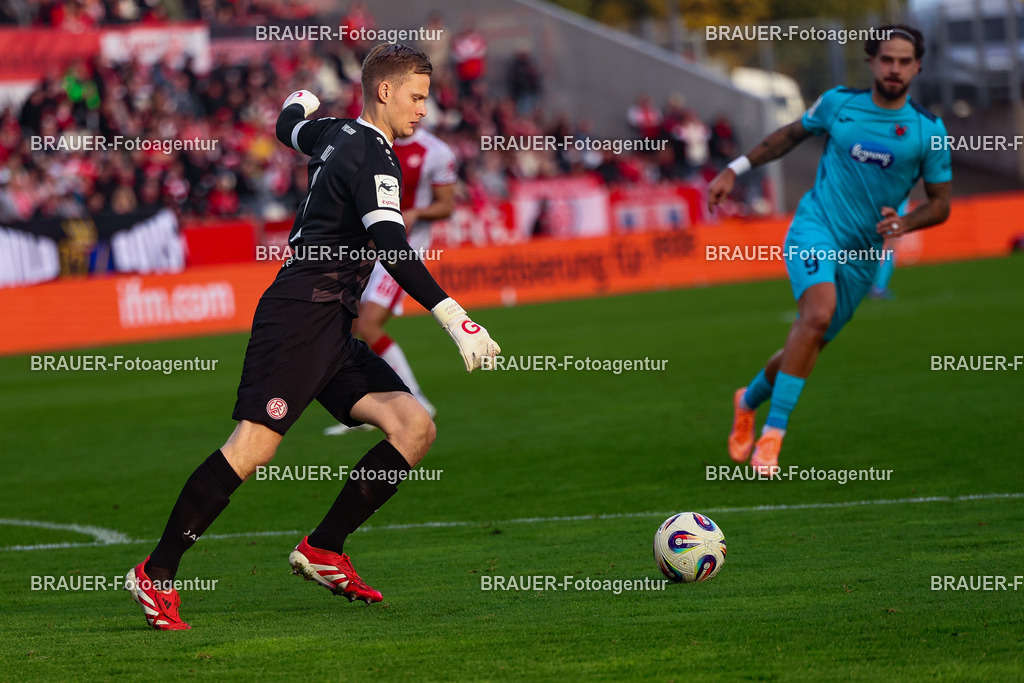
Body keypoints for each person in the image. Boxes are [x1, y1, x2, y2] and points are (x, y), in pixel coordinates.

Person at [124, 43, 500, 630]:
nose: (425, 110)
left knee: (414, 426)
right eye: (417, 97)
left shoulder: (331, 133)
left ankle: (324, 546)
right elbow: (394, 251)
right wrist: (457, 318)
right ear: (384, 91)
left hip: (330, 321)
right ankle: (157, 572)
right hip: (301, 314)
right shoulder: (375, 158)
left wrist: (298, 101)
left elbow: (288, 127)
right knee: (254, 447)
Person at [708, 25, 951, 474]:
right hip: (815, 227)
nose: (894, 68)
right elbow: (788, 135)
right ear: (871, 62)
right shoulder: (839, 103)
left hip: (863, 253)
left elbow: (941, 204)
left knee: (810, 340)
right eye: (886, 59)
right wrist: (733, 169)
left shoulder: (928, 131)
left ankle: (748, 400)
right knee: (817, 314)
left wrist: (906, 221)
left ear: (917, 66)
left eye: (903, 61)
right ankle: (772, 437)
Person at [324, 124, 457, 435]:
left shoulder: (436, 152)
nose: (417, 109)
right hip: (368, 247)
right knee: (354, 325)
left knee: (368, 324)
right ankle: (374, 406)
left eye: (420, 100)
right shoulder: (372, 142)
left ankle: (417, 401)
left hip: (404, 252)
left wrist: (416, 214)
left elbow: (447, 206)